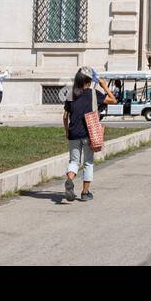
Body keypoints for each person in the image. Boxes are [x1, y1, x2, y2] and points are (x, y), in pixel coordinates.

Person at [62, 70, 98, 202]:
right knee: (88, 162)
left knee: (74, 161)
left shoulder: (70, 94)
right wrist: (104, 85)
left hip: (73, 132)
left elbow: (65, 116)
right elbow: (113, 99)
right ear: (88, 81)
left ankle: (70, 179)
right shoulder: (93, 93)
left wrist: (67, 131)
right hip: (88, 133)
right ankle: (85, 192)